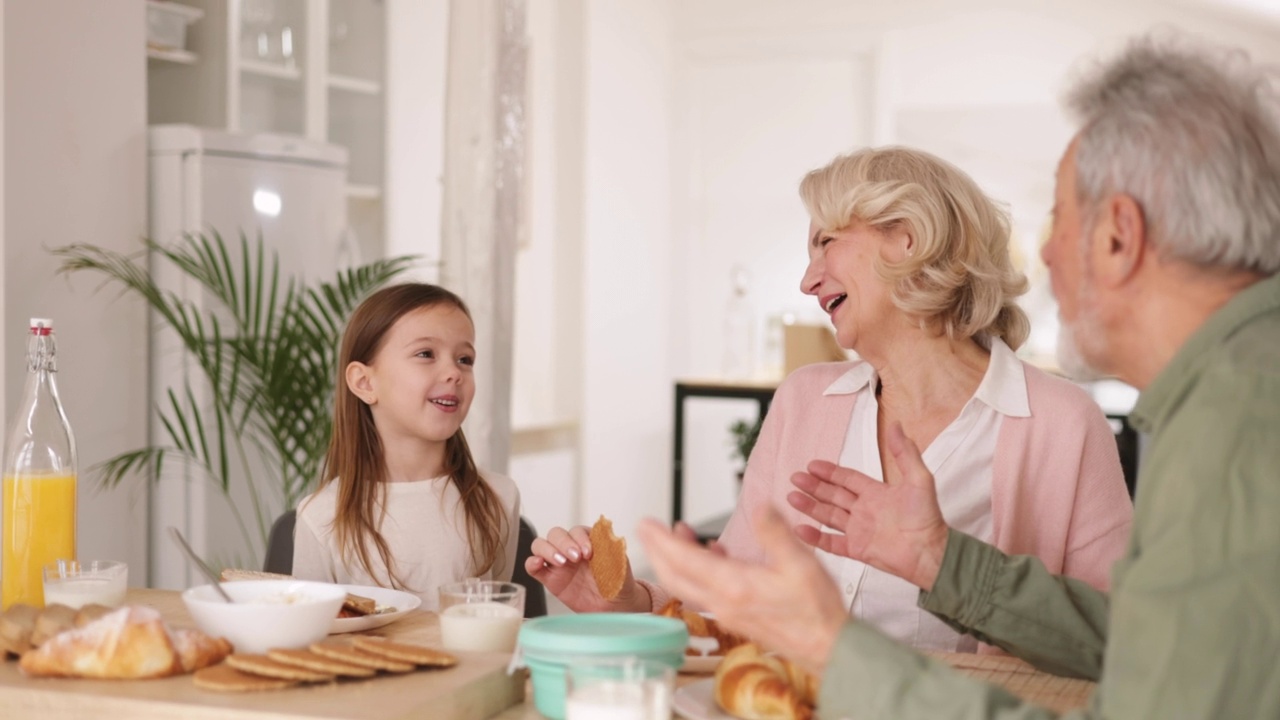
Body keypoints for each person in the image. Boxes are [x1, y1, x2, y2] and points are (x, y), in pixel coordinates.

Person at [638, 33, 1280, 719]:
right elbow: (1138, 647)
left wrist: (836, 653)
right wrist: (941, 562)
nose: (1044, 254)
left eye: (1059, 217)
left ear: (1119, 235)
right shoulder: (1224, 401)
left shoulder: (1235, 427)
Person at [529, 147, 1133, 652]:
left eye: (826, 242)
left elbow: (1115, 641)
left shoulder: (1062, 423)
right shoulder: (804, 400)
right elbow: (730, 613)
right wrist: (631, 603)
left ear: (906, 239)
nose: (807, 278)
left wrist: (943, 561)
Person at [292, 283, 521, 609]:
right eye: (426, 354)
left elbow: (497, 623)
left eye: (465, 359)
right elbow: (309, 637)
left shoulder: (498, 498)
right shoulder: (321, 518)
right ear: (364, 382)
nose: (454, 373)